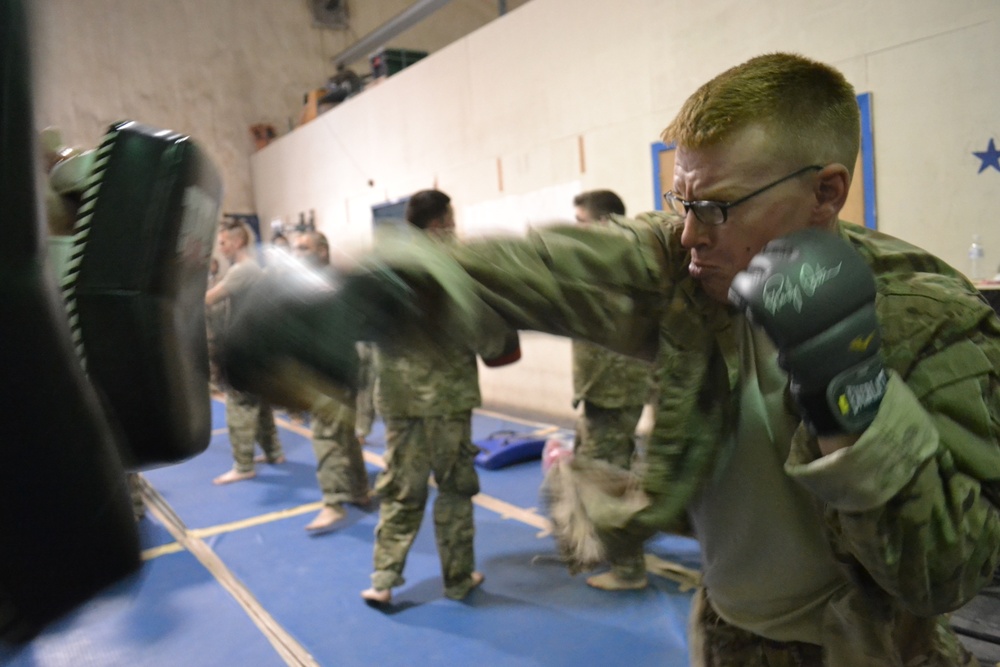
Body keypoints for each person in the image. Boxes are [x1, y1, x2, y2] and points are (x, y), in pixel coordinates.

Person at [223, 53, 1000, 665]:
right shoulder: (682, 266)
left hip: (866, 652)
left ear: (827, 191)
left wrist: (853, 397)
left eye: (716, 207)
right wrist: (368, 291)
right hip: (727, 632)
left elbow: (947, 576)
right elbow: (547, 266)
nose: (691, 233)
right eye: (681, 203)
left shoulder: (929, 319)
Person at [360, 190, 489, 605]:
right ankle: (458, 579)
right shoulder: (457, 262)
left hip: (399, 399)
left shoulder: (382, 263)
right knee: (454, 488)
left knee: (400, 487)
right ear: (440, 223)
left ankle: (382, 581)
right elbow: (484, 324)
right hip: (447, 398)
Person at [567, 189, 655, 591]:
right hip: (610, 389)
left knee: (609, 476)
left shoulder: (612, 264)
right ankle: (613, 552)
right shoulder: (621, 260)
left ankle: (629, 568)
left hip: (614, 390)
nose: (577, 231)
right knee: (599, 466)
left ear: (604, 222)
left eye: (581, 222)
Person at [291, 230, 373, 533]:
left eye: (304, 248)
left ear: (323, 251)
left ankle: (332, 502)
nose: (298, 253)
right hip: (336, 367)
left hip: (331, 370)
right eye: (296, 248)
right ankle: (359, 489)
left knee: (325, 436)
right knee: (344, 433)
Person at [206, 219, 285, 485]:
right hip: (256, 345)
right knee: (259, 402)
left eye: (223, 242)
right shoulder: (249, 268)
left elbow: (209, 299)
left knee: (238, 404)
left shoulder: (242, 270)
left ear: (238, 242)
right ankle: (274, 452)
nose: (221, 248)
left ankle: (243, 464)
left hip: (246, 347)